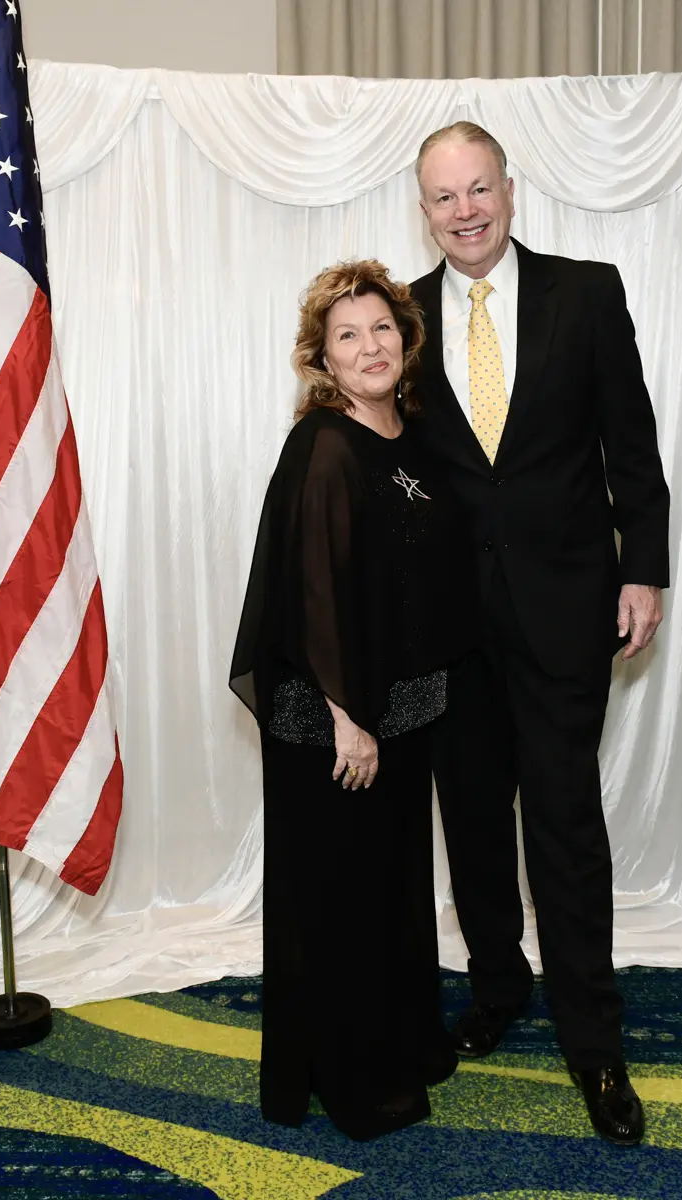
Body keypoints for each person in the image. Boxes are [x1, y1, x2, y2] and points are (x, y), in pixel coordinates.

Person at [410, 122, 671, 1145]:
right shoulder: (401, 319)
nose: (464, 211)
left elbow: (631, 444)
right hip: (448, 624)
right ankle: (496, 986)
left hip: (566, 608)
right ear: (424, 211)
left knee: (562, 824)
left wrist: (643, 568)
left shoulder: (586, 294)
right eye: (444, 196)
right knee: (472, 819)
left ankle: (593, 1042)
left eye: (478, 188)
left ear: (509, 191)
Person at [229, 259, 475, 1141]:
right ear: (321, 358)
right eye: (347, 335)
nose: (369, 346)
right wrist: (348, 718)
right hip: (337, 722)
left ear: (405, 339)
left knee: (391, 889)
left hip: (403, 709)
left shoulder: (414, 432)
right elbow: (315, 591)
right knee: (341, 901)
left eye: (381, 328)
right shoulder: (326, 444)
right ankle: (352, 1079)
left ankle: (401, 1041)